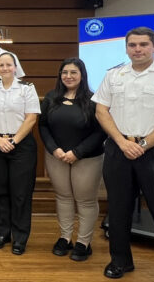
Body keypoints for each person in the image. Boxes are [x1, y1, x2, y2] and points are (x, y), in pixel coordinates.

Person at [92, 27, 154, 281]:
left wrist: (144, 144)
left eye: (144, 45)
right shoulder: (114, 75)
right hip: (119, 148)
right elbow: (101, 111)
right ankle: (120, 261)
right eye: (133, 45)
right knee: (118, 210)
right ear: (126, 48)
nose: (138, 49)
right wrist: (121, 141)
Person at [39, 58, 106, 261]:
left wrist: (77, 152)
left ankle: (83, 242)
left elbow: (101, 131)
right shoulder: (51, 98)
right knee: (63, 197)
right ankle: (65, 238)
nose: (68, 76)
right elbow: (43, 126)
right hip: (56, 156)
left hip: (87, 158)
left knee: (85, 200)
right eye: (64, 72)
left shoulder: (94, 100)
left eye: (73, 72)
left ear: (82, 75)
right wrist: (54, 149)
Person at [0, 52, 40, 255]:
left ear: (15, 67)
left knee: (20, 193)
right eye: (1, 65)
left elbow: (31, 119)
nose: (5, 68)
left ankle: (20, 237)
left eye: (8, 65)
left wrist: (12, 141)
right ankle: (3, 233)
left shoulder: (26, 89)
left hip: (21, 145)